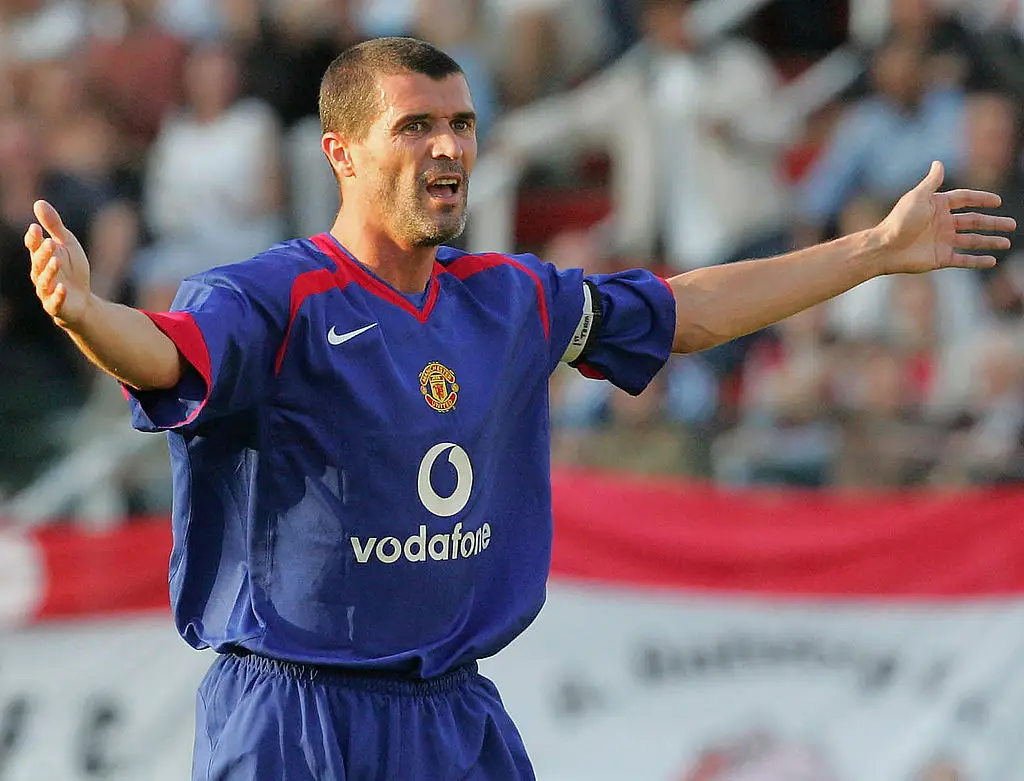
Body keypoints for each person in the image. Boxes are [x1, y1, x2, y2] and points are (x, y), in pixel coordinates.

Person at [23, 36, 1014, 781]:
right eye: (414, 126)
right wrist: (86, 313)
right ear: (342, 153)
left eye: (459, 124)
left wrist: (871, 253)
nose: (447, 147)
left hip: (453, 713)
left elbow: (687, 313)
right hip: (294, 716)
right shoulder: (266, 299)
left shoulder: (511, 299)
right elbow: (163, 357)